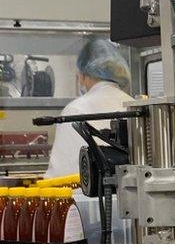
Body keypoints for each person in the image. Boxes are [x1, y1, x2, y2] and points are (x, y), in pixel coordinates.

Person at [45, 38, 133, 178]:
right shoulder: (133, 105)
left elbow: (60, 175)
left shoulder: (74, 111)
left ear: (82, 75)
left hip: (90, 197)